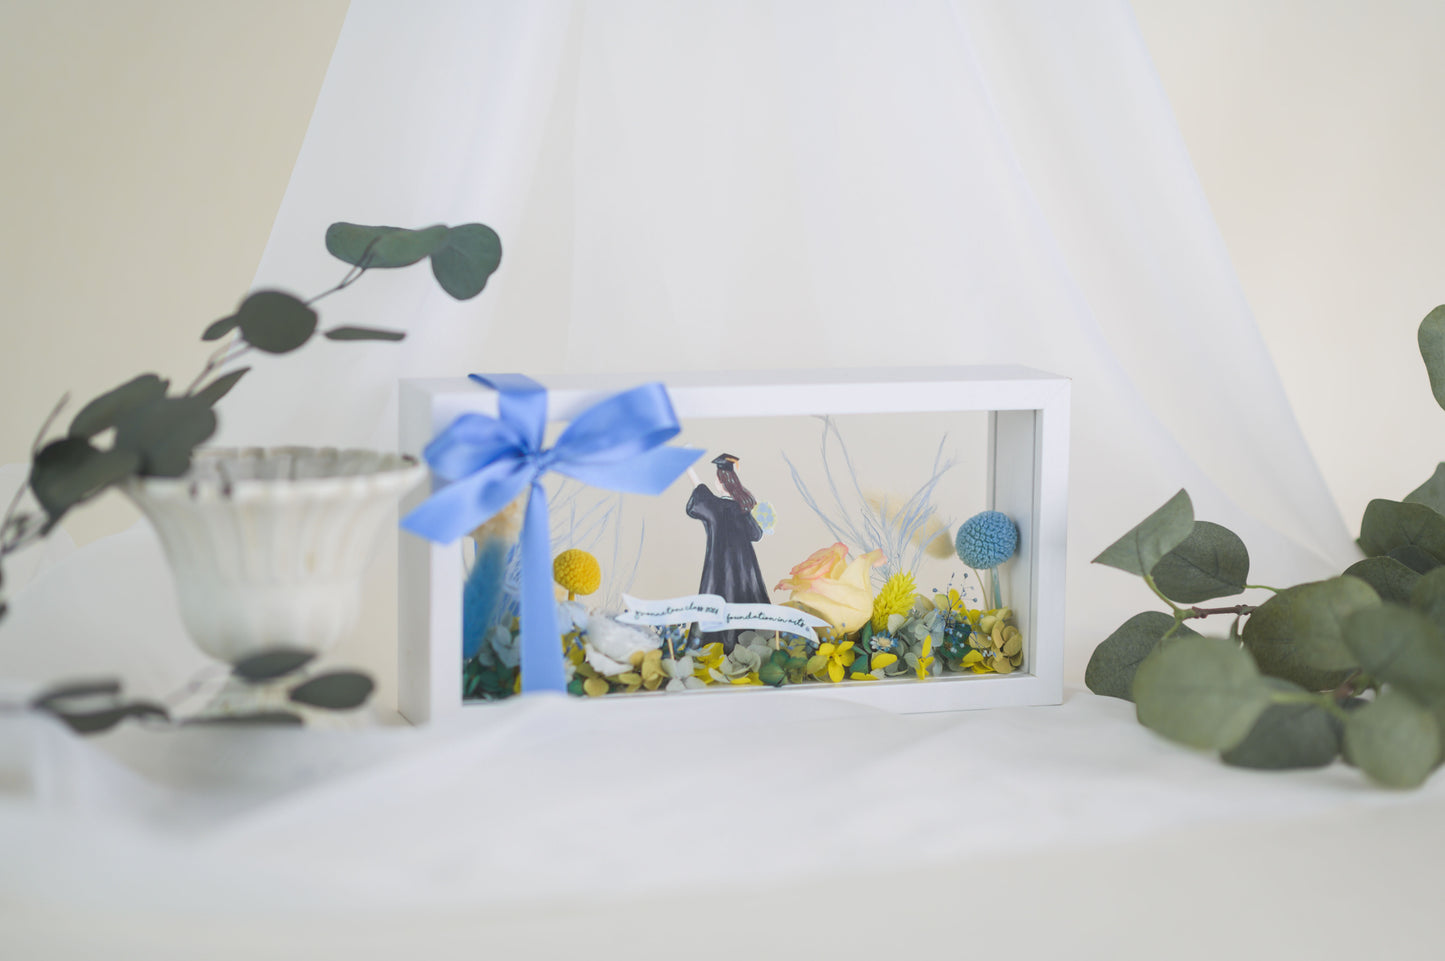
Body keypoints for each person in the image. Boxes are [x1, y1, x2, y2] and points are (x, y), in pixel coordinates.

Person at [686, 453, 770, 652]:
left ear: (720, 481)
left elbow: (699, 491)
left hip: (718, 572)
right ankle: (753, 648)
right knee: (747, 601)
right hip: (745, 573)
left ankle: (710, 649)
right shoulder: (742, 510)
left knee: (714, 601)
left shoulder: (714, 507)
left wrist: (689, 467)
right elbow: (756, 534)